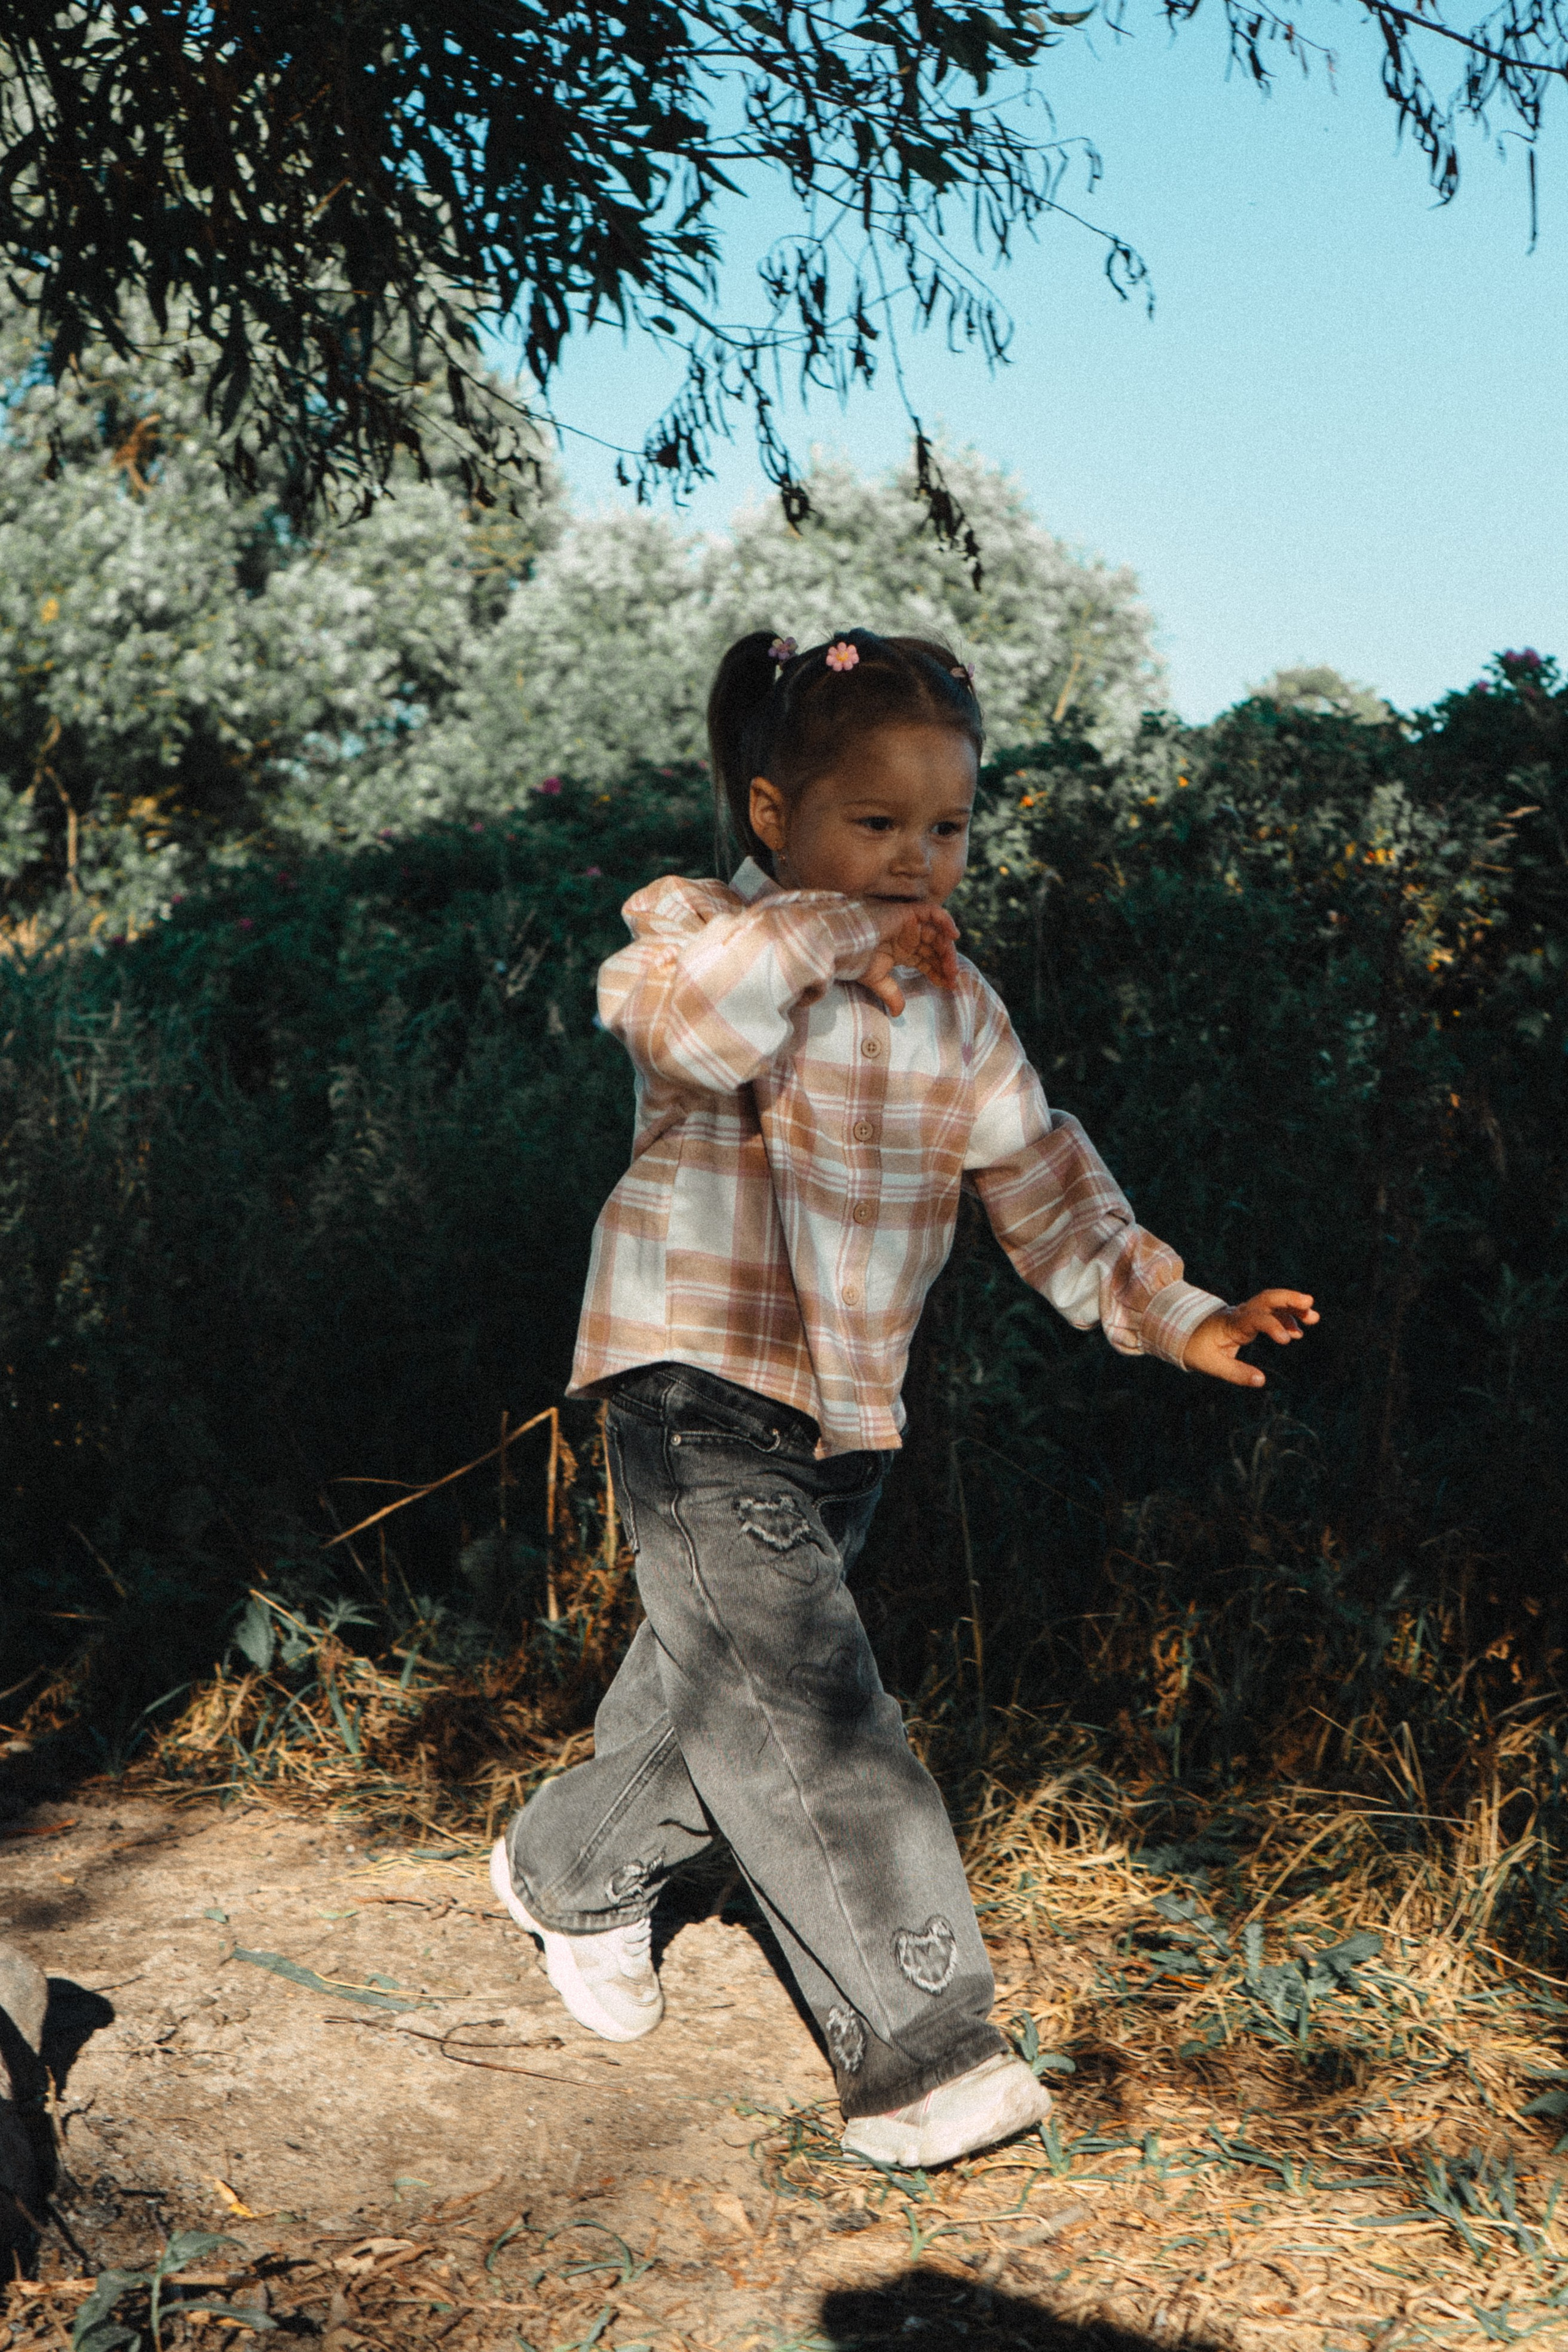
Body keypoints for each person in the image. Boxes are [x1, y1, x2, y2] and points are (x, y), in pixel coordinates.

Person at [491, 628, 1318, 2168]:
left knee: (724, 1689)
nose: (914, 860)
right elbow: (682, 1028)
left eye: (942, 829)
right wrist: (821, 933)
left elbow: (1040, 1179)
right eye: (874, 826)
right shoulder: (699, 936)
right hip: (693, 1376)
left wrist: (1179, 1311)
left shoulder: (958, 1004)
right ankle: (927, 2057)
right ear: (769, 816)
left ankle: (569, 1867)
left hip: (846, 1409)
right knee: (812, 1712)